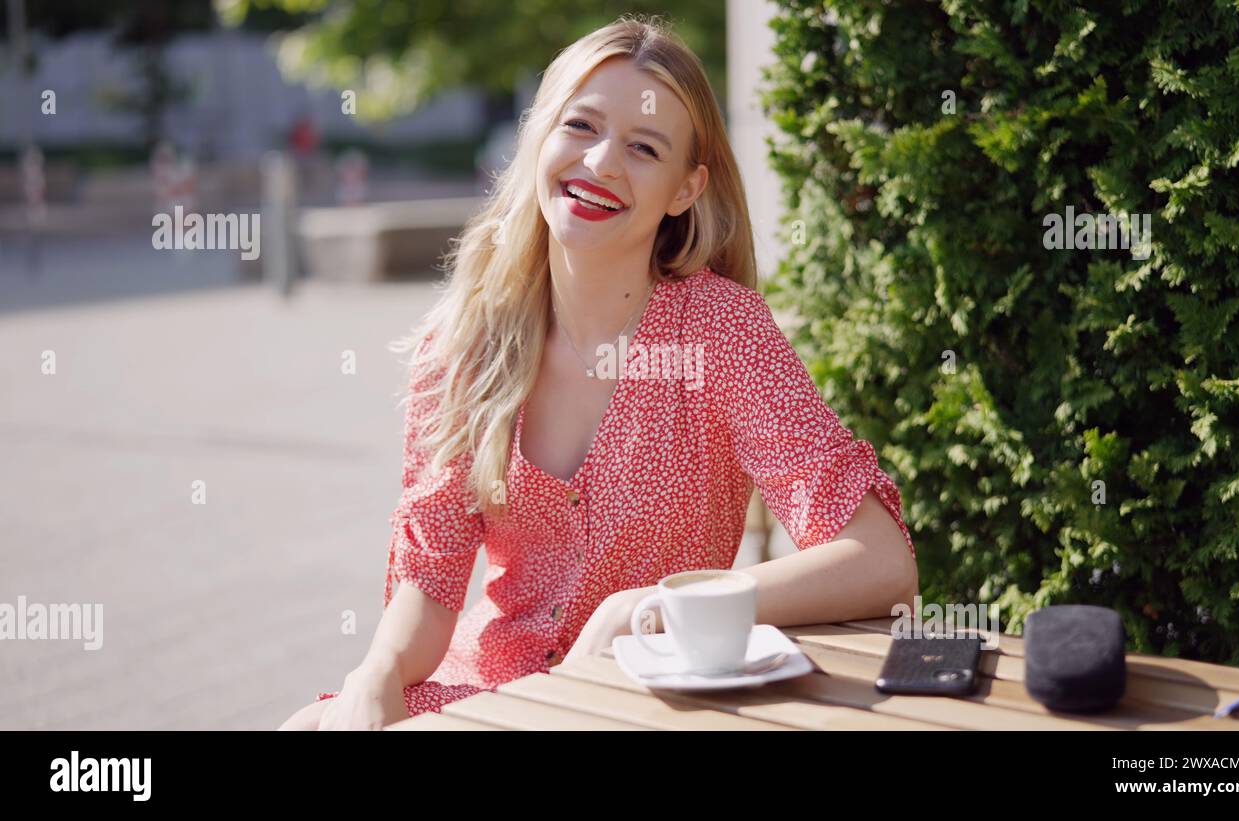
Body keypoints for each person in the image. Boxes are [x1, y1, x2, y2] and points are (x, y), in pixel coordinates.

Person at [278, 15, 917, 731]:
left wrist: (657, 605)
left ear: (685, 188)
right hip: (492, 694)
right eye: (580, 126)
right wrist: (375, 675)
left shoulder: (722, 332)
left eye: (644, 147)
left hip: (644, 704)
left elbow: (880, 562)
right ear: (539, 137)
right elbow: (428, 586)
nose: (603, 162)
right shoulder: (461, 342)